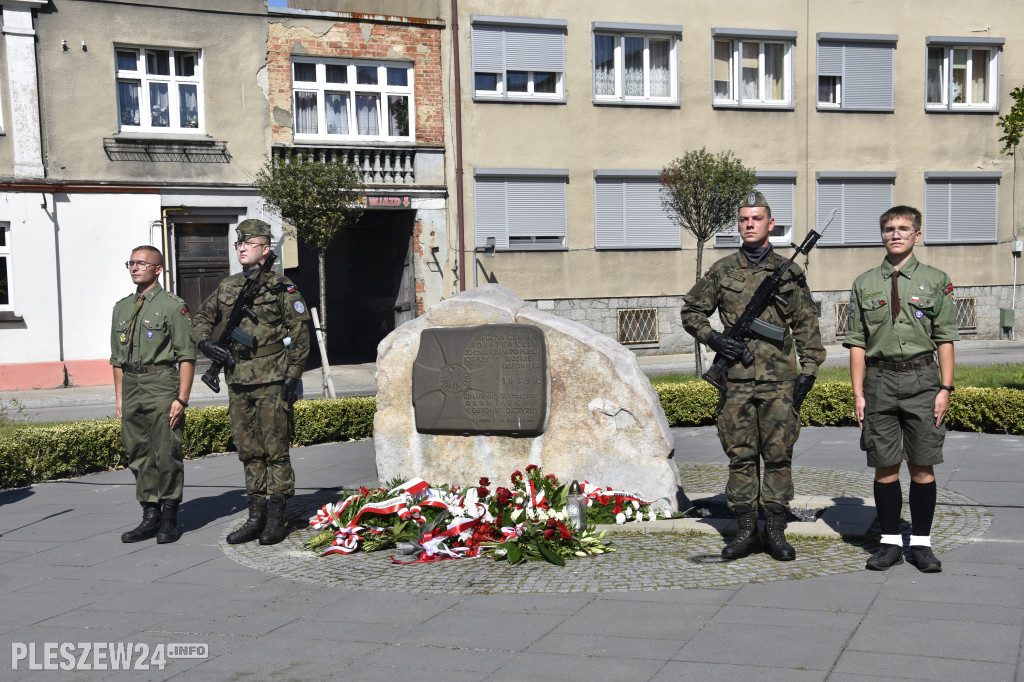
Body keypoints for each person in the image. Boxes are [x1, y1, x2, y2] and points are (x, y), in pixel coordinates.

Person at [681, 191, 825, 561]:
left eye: (756, 218)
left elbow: (806, 324)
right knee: (741, 455)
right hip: (737, 379)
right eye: (744, 219)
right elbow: (691, 311)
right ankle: (746, 531)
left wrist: (809, 370)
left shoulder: (789, 272)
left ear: (770, 225)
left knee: (778, 456)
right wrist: (715, 339)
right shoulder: (723, 270)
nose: (749, 224)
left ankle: (775, 532)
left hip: (780, 381)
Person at [844, 206, 958, 573]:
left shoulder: (936, 280)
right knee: (884, 466)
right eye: (890, 229)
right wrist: (858, 393)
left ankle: (921, 545)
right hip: (878, 383)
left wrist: (945, 388)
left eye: (904, 228)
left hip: (923, 382)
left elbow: (945, 339)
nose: (896, 234)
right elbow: (857, 343)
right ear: (882, 235)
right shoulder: (864, 284)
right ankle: (890, 544)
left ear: (917, 235)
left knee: (923, 465)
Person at [191, 219, 310, 545]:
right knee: (248, 450)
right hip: (238, 379)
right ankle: (255, 515)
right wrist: (205, 343)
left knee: (275, 450)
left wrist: (293, 374)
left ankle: (276, 516)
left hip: (272, 378)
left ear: (265, 249)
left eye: (249, 243)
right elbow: (202, 318)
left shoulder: (281, 287)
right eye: (239, 244)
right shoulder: (228, 287)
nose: (242, 248)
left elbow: (300, 331)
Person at [111, 245, 196, 544]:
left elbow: (187, 355)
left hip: (161, 382)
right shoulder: (121, 307)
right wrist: (120, 397)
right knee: (138, 451)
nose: (134, 268)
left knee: (166, 451)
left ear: (157, 269)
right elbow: (116, 359)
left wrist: (181, 399)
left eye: (141, 263)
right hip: (131, 384)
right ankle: (150, 515)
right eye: (130, 263)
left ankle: (170, 517)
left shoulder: (173, 306)